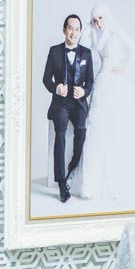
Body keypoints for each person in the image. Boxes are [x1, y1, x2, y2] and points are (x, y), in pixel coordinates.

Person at [74, 2, 135, 201]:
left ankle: (114, 183)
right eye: (94, 20)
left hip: (116, 85)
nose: (98, 23)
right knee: (94, 127)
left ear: (107, 16)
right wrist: (88, 27)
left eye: (101, 18)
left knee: (115, 128)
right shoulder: (94, 34)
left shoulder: (116, 31)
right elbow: (82, 47)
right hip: (101, 83)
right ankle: (89, 185)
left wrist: (123, 68)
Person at [42, 13, 94, 203]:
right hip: (61, 103)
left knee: (81, 130)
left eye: (77, 29)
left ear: (80, 32)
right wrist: (56, 87)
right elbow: (46, 79)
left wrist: (84, 91)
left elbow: (90, 82)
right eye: (70, 28)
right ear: (64, 30)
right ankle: (61, 182)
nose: (73, 32)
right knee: (61, 132)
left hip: (79, 103)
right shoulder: (54, 51)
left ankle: (72, 166)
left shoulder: (86, 53)